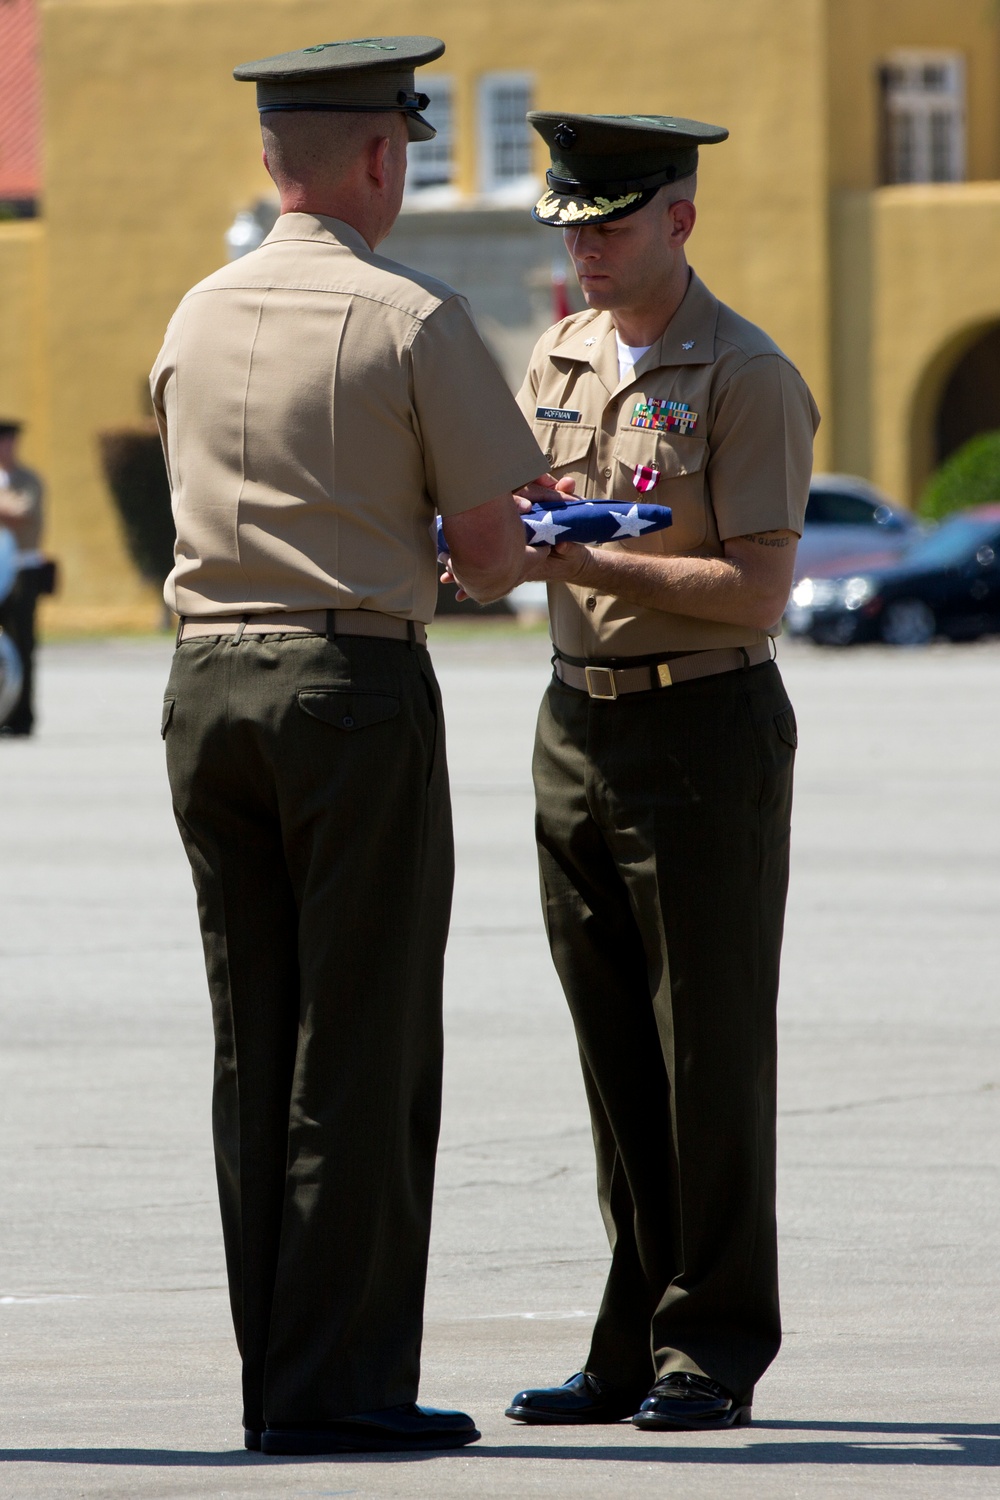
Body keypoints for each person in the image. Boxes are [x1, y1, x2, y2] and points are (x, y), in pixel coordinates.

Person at [150, 36, 547, 1456]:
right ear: (385, 157)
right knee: (361, 1048)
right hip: (348, 687)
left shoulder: (192, 315)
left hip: (205, 691)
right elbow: (499, 558)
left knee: (255, 1044)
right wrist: (442, 546)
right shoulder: (412, 317)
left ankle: (281, 1377)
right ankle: (344, 1385)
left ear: (273, 159)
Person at [502, 113, 820, 1432]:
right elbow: (520, 522)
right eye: (571, 227)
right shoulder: (560, 355)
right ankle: (630, 1340)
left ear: (679, 221)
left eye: (611, 225)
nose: (586, 250)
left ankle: (715, 1343)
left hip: (703, 731)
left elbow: (757, 591)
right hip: (577, 724)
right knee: (616, 1055)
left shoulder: (745, 374)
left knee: (710, 1054)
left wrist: (588, 564)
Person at [0, 419, 47, 736]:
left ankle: (21, 717)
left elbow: (22, 513)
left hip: (21, 569)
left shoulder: (27, 478)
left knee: (22, 643)